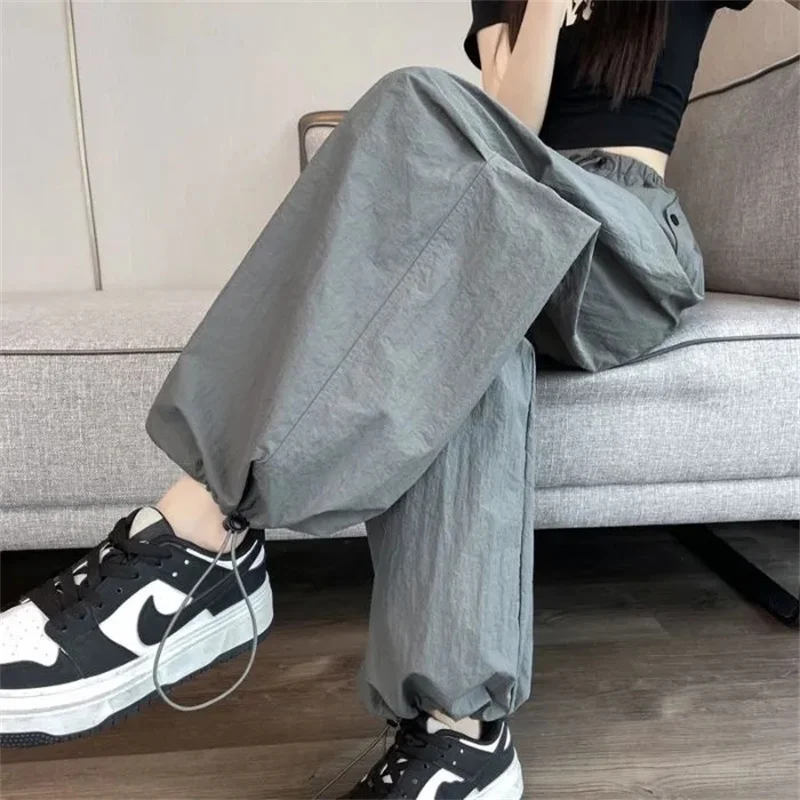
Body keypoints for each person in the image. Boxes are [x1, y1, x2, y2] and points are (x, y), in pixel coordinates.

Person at [2, 0, 792, 797]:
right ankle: (461, 738)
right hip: (512, 216)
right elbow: (512, 119)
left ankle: (200, 534)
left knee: (415, 97)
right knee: (470, 332)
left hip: (625, 242)